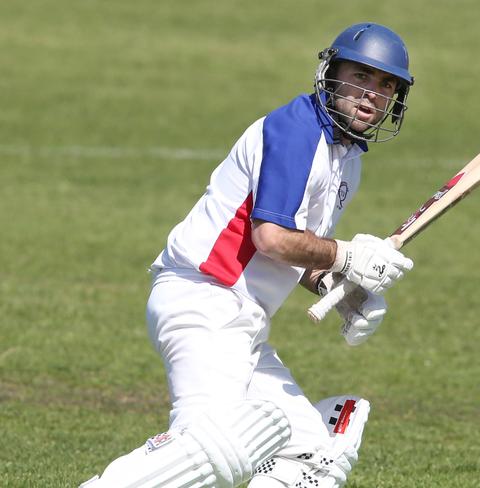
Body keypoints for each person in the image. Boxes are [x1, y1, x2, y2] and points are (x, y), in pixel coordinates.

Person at [80, 22, 415, 488]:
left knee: (312, 454)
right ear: (332, 73)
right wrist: (346, 255)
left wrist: (341, 290)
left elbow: (298, 252)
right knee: (210, 448)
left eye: (385, 85)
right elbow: (272, 238)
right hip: (204, 302)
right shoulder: (297, 132)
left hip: (243, 324)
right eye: (361, 76)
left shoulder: (345, 159)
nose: (371, 94)